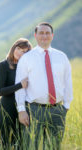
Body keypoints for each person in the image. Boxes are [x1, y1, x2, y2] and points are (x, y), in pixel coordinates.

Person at [15, 22, 73, 150]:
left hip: (57, 110)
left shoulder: (61, 57)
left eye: (47, 33)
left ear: (52, 35)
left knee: (54, 147)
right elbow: (20, 85)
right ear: (35, 36)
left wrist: (66, 106)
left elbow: (68, 82)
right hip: (34, 110)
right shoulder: (26, 58)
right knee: (31, 146)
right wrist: (21, 110)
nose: (44, 36)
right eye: (41, 33)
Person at [0, 38, 32, 149]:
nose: (20, 53)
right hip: (7, 107)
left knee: (21, 139)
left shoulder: (26, 67)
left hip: (23, 108)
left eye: (25, 52)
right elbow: (0, 91)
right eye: (19, 49)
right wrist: (20, 85)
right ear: (14, 48)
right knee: (4, 139)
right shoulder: (3, 65)